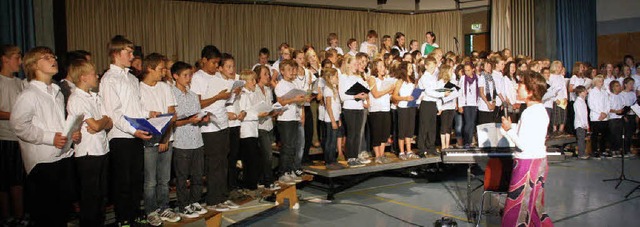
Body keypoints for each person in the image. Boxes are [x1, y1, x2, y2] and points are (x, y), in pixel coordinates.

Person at [10, 46, 81, 226]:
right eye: (46, 57)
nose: (53, 59)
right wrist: (50, 138)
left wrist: (71, 133)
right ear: (34, 65)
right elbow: (19, 126)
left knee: (62, 212)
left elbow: (57, 123)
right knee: (47, 214)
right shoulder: (29, 94)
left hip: (62, 157)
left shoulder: (56, 92)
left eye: (53, 56)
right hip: (43, 162)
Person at [100, 36, 153, 225]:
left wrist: (150, 114)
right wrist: (133, 130)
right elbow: (114, 113)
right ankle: (123, 217)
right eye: (128, 52)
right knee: (123, 180)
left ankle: (133, 212)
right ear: (116, 53)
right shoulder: (109, 79)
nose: (132, 56)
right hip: (121, 136)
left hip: (136, 133)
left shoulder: (131, 78)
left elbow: (136, 108)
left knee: (136, 178)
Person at [500, 70, 553, 227]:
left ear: (530, 91)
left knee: (517, 209)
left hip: (527, 165)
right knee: (534, 207)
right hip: (538, 161)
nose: (517, 87)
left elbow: (523, 144)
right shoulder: (540, 110)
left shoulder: (529, 113)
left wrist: (508, 129)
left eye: (521, 85)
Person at [66, 59, 113, 226]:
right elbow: (94, 124)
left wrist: (103, 121)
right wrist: (102, 122)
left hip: (102, 148)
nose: (97, 76)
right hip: (87, 153)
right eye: (94, 74)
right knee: (90, 196)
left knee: (102, 194)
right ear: (84, 77)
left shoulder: (95, 96)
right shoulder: (76, 98)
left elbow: (109, 121)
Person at [189, 45, 234, 211]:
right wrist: (217, 96)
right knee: (214, 164)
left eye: (218, 63)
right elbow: (197, 103)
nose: (216, 66)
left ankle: (222, 196)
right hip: (209, 127)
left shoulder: (217, 76)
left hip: (222, 123)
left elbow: (223, 100)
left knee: (223, 162)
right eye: (214, 63)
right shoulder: (197, 78)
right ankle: (213, 200)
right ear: (204, 61)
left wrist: (230, 94)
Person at [139, 53, 180, 225]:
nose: (164, 72)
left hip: (166, 138)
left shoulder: (165, 87)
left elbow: (172, 115)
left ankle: (164, 207)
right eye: (161, 68)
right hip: (148, 140)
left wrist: (165, 138)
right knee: (150, 181)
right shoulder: (138, 88)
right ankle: (150, 210)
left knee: (164, 179)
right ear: (150, 68)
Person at [170, 61, 208, 218]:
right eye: (185, 75)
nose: (188, 78)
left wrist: (203, 118)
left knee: (198, 174)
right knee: (182, 176)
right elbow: (173, 121)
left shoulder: (192, 95)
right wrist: (189, 120)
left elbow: (197, 114)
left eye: (190, 75)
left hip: (197, 140)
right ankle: (183, 205)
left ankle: (195, 201)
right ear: (175, 76)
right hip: (182, 141)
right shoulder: (171, 95)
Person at [0, 44, 26, 226]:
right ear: (5, 59)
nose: (21, 61)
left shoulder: (20, 83)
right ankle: (6, 216)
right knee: (4, 181)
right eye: (17, 57)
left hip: (19, 137)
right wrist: (15, 115)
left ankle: (19, 216)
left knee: (18, 180)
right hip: (3, 137)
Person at [275, 59, 305, 183]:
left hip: (294, 117)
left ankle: (290, 170)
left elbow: (297, 101)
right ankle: (283, 172)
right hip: (285, 119)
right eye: (289, 70)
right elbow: (280, 101)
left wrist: (302, 99)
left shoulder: (294, 84)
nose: (292, 72)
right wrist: (294, 99)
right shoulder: (280, 85)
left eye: (293, 70)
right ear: (282, 71)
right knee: (287, 146)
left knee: (293, 146)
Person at [339, 55, 370, 167]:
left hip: (359, 107)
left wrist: (365, 94)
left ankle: (356, 156)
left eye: (357, 64)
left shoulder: (358, 77)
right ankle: (350, 157)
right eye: (355, 64)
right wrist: (355, 96)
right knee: (351, 133)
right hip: (349, 108)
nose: (357, 66)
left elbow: (366, 90)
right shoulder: (343, 77)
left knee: (357, 134)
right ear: (348, 64)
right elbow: (342, 96)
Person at [418, 57, 449, 156]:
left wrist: (439, 106)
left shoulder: (434, 78)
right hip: (426, 104)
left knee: (432, 127)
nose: (432, 69)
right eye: (430, 67)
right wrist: (443, 94)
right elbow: (429, 92)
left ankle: (431, 147)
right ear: (426, 66)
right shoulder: (424, 78)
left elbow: (437, 90)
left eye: (434, 67)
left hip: (433, 104)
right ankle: (421, 149)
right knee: (424, 127)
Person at [368, 59, 394, 163]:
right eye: (380, 66)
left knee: (384, 133)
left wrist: (391, 91)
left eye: (384, 66)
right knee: (377, 133)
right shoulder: (372, 79)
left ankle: (382, 154)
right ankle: (377, 155)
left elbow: (388, 94)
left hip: (385, 108)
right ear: (376, 68)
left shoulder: (385, 79)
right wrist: (388, 90)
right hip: (376, 109)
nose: (383, 68)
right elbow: (375, 94)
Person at [322, 68, 345, 170]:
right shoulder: (327, 89)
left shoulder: (334, 88)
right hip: (330, 119)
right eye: (336, 76)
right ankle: (329, 160)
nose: (337, 78)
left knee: (334, 140)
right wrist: (332, 121)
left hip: (335, 117)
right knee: (330, 140)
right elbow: (328, 106)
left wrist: (338, 118)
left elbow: (337, 106)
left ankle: (333, 160)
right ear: (330, 78)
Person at [436, 65, 459, 149]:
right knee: (444, 126)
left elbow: (456, 93)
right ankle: (443, 145)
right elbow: (438, 96)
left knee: (449, 127)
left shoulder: (452, 82)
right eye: (450, 71)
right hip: (444, 107)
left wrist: (455, 103)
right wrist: (439, 107)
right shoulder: (440, 83)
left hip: (451, 106)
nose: (451, 73)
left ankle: (447, 144)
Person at [458, 63, 479, 148]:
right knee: (468, 122)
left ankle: (470, 141)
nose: (467, 72)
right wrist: (460, 105)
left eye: (468, 70)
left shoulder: (477, 78)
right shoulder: (463, 78)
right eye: (465, 70)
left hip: (474, 103)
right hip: (466, 103)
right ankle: (466, 141)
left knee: (472, 123)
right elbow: (460, 92)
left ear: (473, 69)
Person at [587, 75, 609, 158]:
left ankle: (603, 150)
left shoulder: (604, 92)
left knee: (604, 135)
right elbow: (591, 105)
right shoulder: (592, 92)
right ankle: (595, 151)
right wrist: (600, 113)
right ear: (595, 82)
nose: (601, 83)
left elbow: (607, 104)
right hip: (596, 117)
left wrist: (605, 112)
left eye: (602, 81)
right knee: (595, 135)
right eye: (599, 81)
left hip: (604, 117)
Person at [620, 78, 636, 156]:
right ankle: (625, 150)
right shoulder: (622, 94)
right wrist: (624, 115)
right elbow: (622, 105)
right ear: (625, 84)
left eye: (632, 84)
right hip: (626, 115)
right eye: (630, 84)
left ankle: (629, 149)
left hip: (633, 115)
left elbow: (635, 104)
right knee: (626, 133)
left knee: (631, 133)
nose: (631, 85)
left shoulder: (633, 94)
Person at [573, 86, 589, 159]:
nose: (586, 92)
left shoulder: (582, 101)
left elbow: (584, 114)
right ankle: (581, 154)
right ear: (580, 93)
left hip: (583, 124)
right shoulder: (578, 102)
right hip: (580, 124)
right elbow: (579, 114)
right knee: (581, 139)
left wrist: (586, 124)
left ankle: (582, 152)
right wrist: (583, 124)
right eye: (584, 91)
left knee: (582, 138)